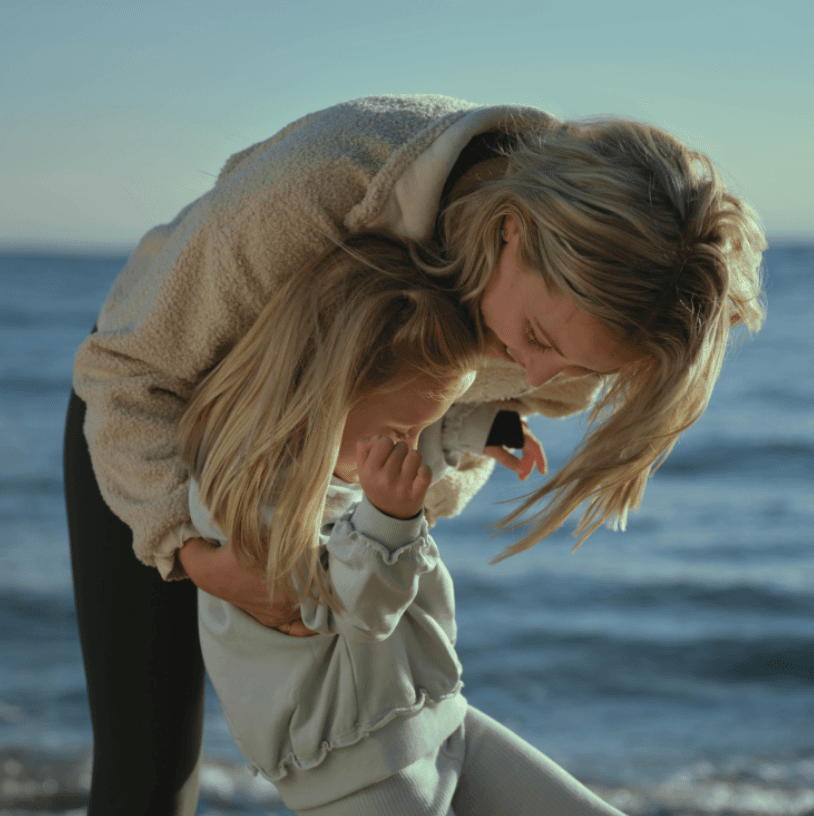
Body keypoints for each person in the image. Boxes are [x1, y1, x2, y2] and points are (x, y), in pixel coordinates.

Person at [65, 94, 766, 814]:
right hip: (150, 402)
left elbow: (440, 434)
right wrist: (190, 552)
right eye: (537, 340)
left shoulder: (580, 319)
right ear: (510, 229)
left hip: (341, 484)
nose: (537, 380)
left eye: (582, 368)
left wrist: (462, 440)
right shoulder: (322, 183)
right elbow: (125, 369)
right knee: (150, 768)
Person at [179, 234, 628, 815]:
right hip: (360, 766)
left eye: (423, 428)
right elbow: (359, 611)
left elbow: (404, 424)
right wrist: (389, 521)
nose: (413, 451)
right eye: (401, 433)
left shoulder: (346, 445)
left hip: (432, 714)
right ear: (324, 393)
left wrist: (480, 428)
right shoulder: (248, 498)